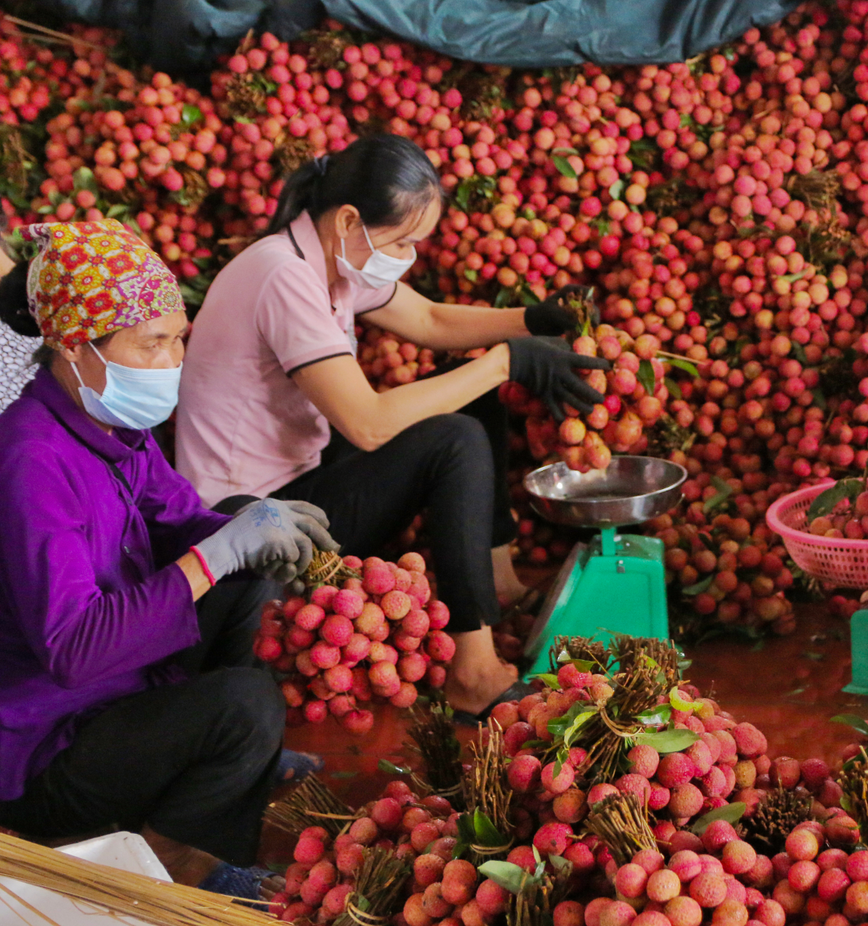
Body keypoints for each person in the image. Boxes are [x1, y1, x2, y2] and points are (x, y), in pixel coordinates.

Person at [175, 134, 608, 723]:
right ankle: (474, 676)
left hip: (304, 475)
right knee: (452, 438)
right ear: (350, 220)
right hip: (251, 519)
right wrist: (508, 359)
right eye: (402, 241)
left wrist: (533, 320)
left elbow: (427, 318)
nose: (407, 254)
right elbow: (369, 423)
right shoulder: (284, 276)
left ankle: (496, 583)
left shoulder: (329, 258)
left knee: (470, 393)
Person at [0, 219, 339, 899]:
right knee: (245, 706)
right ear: (75, 348)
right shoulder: (29, 460)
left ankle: (215, 778)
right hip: (43, 748)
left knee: (245, 544)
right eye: (153, 343)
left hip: (120, 692)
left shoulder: (109, 423)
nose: (173, 359)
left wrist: (250, 535)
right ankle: (174, 862)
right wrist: (214, 556)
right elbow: (72, 648)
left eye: (178, 338)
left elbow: (178, 517)